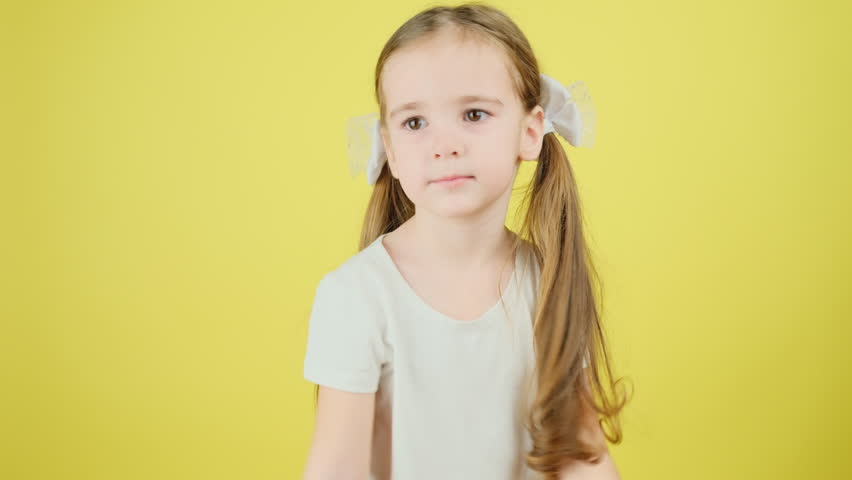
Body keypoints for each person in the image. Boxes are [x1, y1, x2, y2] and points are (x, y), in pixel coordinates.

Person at [302, 4, 630, 479]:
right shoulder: (356, 296)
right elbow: (338, 470)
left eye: (474, 114)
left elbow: (581, 456)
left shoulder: (549, 280)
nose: (444, 143)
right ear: (389, 149)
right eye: (415, 123)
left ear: (530, 132)